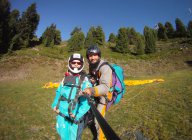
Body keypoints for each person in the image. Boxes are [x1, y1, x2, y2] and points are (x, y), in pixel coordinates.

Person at [51, 53, 92, 140]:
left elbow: (87, 101)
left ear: (82, 64)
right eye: (74, 62)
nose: (76, 64)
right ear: (70, 63)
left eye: (78, 63)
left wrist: (77, 115)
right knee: (63, 136)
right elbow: (59, 92)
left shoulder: (84, 80)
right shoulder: (66, 77)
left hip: (74, 119)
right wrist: (55, 104)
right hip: (61, 115)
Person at [83, 45, 113, 140]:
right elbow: (95, 77)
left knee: (99, 120)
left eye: (95, 55)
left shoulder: (105, 68)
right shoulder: (92, 66)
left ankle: (101, 138)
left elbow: (105, 87)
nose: (93, 57)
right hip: (97, 92)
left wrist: (91, 90)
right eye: (90, 55)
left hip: (104, 97)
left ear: (99, 55)